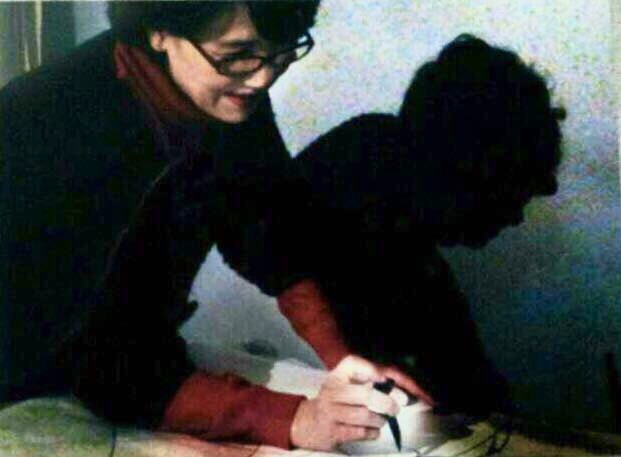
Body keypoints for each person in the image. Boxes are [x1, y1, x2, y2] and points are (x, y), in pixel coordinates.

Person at [0, 1, 427, 451]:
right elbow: (108, 360)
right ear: (159, 31)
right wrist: (294, 419)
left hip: (111, 358)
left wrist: (344, 357)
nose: (262, 77)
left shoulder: (219, 94)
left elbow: (274, 229)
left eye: (281, 51)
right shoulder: (50, 130)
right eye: (237, 54)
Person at [225, 34, 566, 420]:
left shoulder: (397, 190)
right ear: (472, 173)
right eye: (510, 198)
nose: (515, 219)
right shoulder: (358, 196)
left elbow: (452, 346)